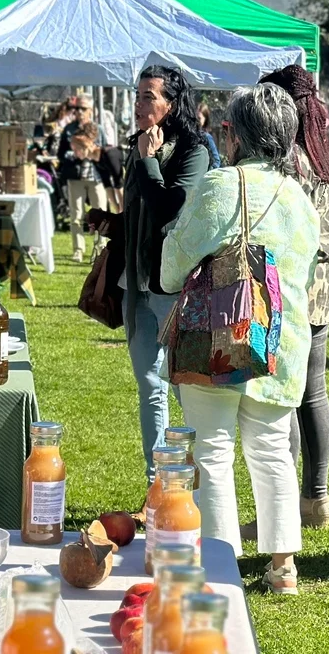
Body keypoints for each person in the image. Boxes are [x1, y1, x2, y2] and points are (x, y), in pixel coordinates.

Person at [161, 83, 319, 595]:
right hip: (281, 344)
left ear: (234, 134)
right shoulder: (301, 199)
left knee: (212, 451)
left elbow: (172, 267)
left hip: (217, 335)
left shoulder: (220, 186)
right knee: (272, 451)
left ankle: (220, 564)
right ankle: (283, 567)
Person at [87, 66, 209, 490]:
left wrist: (148, 161)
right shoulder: (139, 145)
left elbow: (170, 210)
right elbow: (141, 217)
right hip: (134, 285)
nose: (138, 105)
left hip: (172, 287)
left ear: (170, 104)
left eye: (148, 97)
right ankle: (156, 485)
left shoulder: (195, 151)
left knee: (183, 389)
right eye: (137, 95)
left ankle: (192, 485)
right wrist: (111, 222)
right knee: (149, 385)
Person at [259, 64, 329, 530]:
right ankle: (318, 495)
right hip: (327, 281)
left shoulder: (289, 157)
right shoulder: (325, 152)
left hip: (293, 279)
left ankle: (287, 503)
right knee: (315, 390)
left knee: (287, 395)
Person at [60, 95, 107, 263]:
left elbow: (105, 151)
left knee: (100, 213)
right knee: (76, 214)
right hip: (75, 176)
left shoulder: (98, 129)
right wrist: (74, 154)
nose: (78, 112)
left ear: (90, 111)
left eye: (82, 108)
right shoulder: (69, 129)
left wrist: (93, 151)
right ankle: (78, 250)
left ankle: (101, 248)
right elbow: (61, 154)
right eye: (76, 108)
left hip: (96, 176)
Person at [198, 103, 222, 170]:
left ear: (205, 119)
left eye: (199, 118)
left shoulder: (207, 137)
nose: (196, 121)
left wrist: (209, 171)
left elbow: (217, 161)